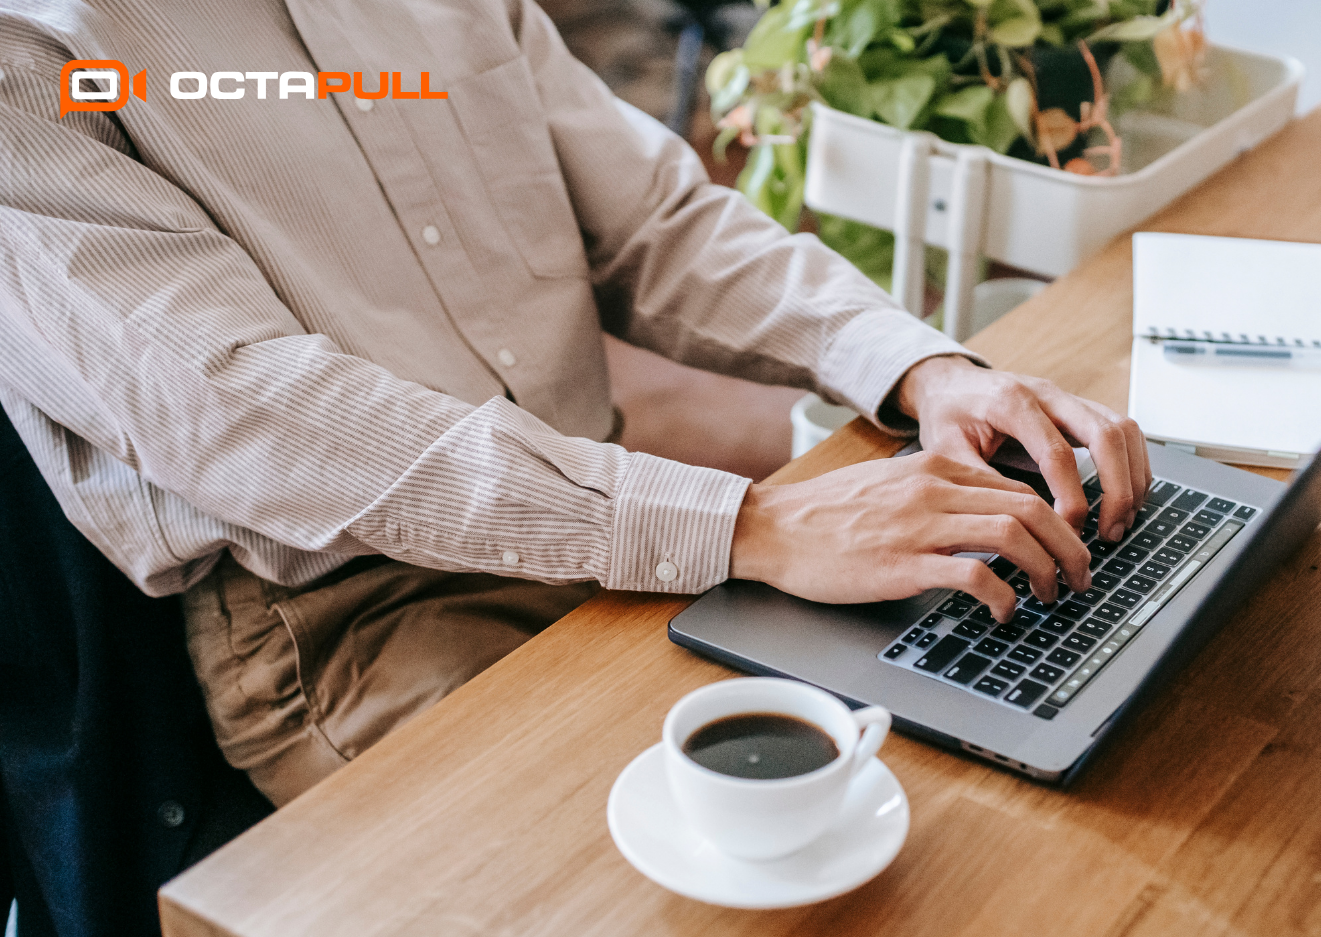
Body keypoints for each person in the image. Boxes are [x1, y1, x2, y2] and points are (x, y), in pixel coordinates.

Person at [0, 0, 1148, 806]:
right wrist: (749, 524)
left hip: (605, 509)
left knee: (991, 752)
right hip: (368, 615)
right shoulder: (40, 51)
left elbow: (655, 222)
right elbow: (252, 418)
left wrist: (919, 369)